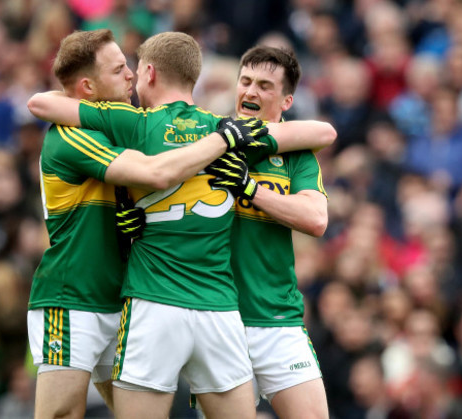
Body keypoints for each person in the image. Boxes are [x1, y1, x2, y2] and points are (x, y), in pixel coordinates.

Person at [28, 32, 335, 419]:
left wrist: (246, 183)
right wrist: (224, 140)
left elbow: (38, 103)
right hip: (208, 308)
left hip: (169, 305)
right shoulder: (222, 130)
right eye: (120, 68)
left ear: (150, 73)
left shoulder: (135, 124)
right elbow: (322, 132)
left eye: (132, 69)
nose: (130, 78)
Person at [201, 45, 330, 419]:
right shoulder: (211, 139)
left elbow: (316, 219)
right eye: (245, 81)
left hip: (277, 318)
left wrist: (249, 189)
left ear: (287, 100)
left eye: (264, 86)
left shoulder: (297, 153)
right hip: (218, 319)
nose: (251, 92)